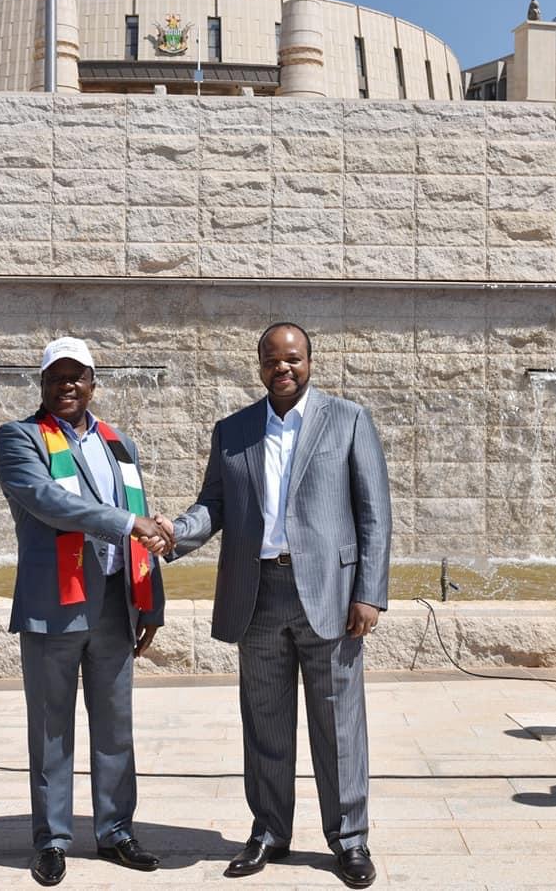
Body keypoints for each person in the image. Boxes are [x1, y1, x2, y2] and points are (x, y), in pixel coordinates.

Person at [155, 322, 391, 888]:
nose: (282, 368)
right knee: (264, 723)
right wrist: (175, 532)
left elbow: (374, 512)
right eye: (271, 360)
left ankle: (350, 840)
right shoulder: (233, 430)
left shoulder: (349, 419)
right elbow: (213, 504)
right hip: (257, 593)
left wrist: (369, 593)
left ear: (310, 360)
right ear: (258, 364)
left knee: (338, 724)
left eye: (292, 359)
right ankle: (268, 831)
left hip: (330, 597)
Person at [0, 336, 171, 887]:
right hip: (56, 607)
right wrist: (125, 523)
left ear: (94, 383)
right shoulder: (20, 438)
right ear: (42, 385)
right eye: (56, 376)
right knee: (51, 729)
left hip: (116, 605)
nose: (67, 385)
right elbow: (50, 501)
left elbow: (140, 520)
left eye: (78, 376)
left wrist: (152, 603)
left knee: (116, 728)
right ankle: (51, 839)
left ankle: (117, 831)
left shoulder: (119, 443)